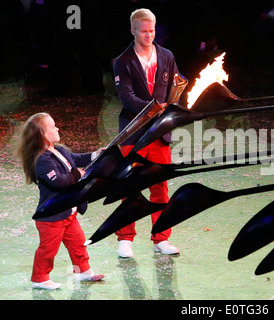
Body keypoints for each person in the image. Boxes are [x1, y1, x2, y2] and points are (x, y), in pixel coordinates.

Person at [113, 8, 180, 257]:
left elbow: (174, 85)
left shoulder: (167, 56)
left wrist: (174, 105)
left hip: (160, 133)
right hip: (132, 133)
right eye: (144, 32)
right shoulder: (123, 61)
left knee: (160, 186)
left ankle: (160, 238)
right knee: (129, 187)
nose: (149, 35)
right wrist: (155, 109)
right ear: (133, 30)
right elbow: (127, 98)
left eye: (152, 30)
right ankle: (125, 239)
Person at [15, 112, 105, 290]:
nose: (57, 128)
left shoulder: (59, 150)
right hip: (52, 217)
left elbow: (76, 159)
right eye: (53, 126)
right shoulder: (42, 160)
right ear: (42, 134)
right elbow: (58, 181)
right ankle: (39, 278)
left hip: (68, 212)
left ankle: (83, 271)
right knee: (48, 249)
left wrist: (96, 155)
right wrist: (76, 174)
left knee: (78, 244)